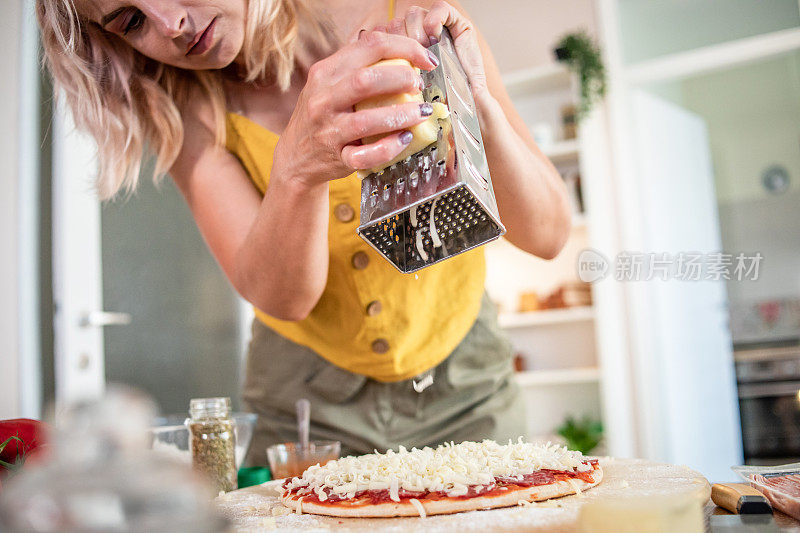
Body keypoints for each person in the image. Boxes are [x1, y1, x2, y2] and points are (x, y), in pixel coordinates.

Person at [37, 0, 572, 463]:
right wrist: (298, 166)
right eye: (131, 20)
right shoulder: (187, 109)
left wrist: (474, 101)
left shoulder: (403, 18)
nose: (171, 22)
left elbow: (548, 234)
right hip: (305, 414)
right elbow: (284, 298)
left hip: (468, 388)